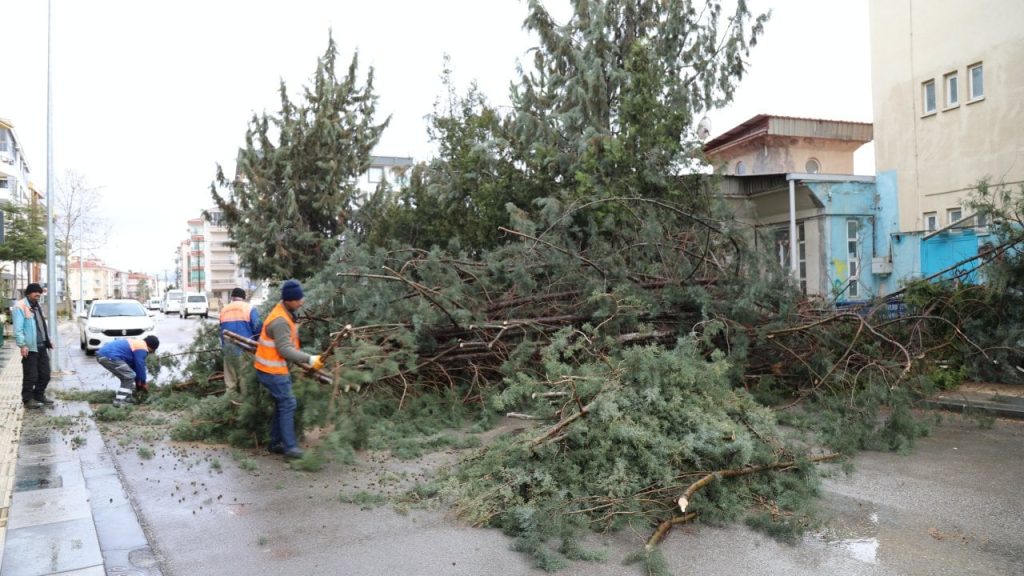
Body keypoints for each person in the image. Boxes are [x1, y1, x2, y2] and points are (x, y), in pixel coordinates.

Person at [253, 279, 324, 460]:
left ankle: (275, 442)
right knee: (288, 403)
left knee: (281, 403)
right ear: (289, 300)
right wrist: (310, 359)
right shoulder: (280, 321)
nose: (302, 301)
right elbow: (285, 350)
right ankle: (290, 447)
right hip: (272, 371)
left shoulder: (284, 312)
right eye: (298, 299)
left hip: (271, 368)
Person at [13, 283, 54, 409]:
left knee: (45, 374)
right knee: (31, 375)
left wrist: (48, 340)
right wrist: (22, 344)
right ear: (29, 293)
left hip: (41, 346)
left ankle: (39, 395)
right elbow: (18, 329)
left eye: (39, 292)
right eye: (36, 292)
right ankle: (27, 399)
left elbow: (40, 325)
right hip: (30, 347)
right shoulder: (20, 306)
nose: (38, 294)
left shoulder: (37, 306)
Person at [219, 287, 262, 395]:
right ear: (244, 297)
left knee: (230, 383)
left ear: (232, 297)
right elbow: (258, 329)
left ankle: (229, 404)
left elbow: (221, 332)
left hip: (229, 351)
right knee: (245, 381)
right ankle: (244, 407)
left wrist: (225, 347)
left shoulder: (224, 310)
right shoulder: (249, 308)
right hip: (246, 350)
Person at [97, 335, 160, 407]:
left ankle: (128, 398)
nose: (148, 353)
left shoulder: (137, 344)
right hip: (109, 356)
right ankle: (119, 401)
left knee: (127, 376)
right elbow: (140, 366)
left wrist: (138, 383)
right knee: (129, 376)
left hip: (104, 355)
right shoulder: (142, 347)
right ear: (151, 348)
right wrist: (143, 383)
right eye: (150, 351)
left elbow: (135, 368)